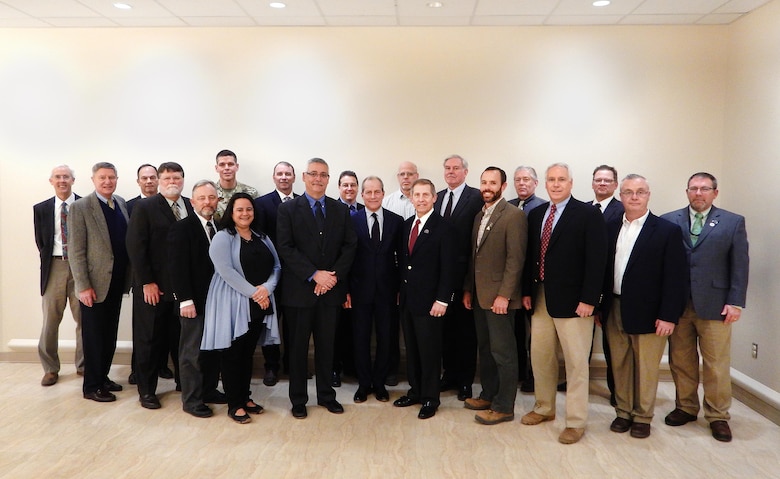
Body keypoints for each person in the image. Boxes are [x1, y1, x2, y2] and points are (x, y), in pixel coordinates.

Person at [520, 163, 607, 445]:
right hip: (541, 297)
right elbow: (530, 257)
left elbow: (597, 261)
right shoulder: (536, 215)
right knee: (541, 357)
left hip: (575, 302)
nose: (555, 184)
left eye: (561, 180)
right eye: (551, 180)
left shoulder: (587, 214)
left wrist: (589, 300)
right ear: (545, 183)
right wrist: (526, 292)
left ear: (571, 182)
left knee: (575, 363)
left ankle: (576, 421)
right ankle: (544, 408)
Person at [661, 172, 749, 443]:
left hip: (716, 305)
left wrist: (735, 302)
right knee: (681, 361)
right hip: (679, 305)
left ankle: (718, 415)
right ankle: (686, 407)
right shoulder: (668, 221)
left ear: (715, 192)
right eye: (693, 189)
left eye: (704, 189)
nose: (698, 193)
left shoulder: (732, 222)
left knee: (716, 364)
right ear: (686, 192)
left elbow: (740, 264)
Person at [602, 174, 687, 439]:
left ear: (648, 195)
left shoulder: (666, 230)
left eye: (640, 192)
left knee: (647, 367)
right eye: (628, 192)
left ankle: (642, 416)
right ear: (621, 196)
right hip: (615, 307)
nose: (634, 197)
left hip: (651, 313)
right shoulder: (610, 226)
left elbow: (676, 278)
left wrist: (668, 316)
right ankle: (623, 412)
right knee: (620, 363)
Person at [276, 158, 357, 419]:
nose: (318, 179)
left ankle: (326, 396)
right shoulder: (288, 210)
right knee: (297, 350)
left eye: (323, 175)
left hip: (330, 292)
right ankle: (298, 399)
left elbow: (349, 246)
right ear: (304, 176)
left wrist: (332, 277)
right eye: (313, 174)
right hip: (299, 293)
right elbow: (285, 248)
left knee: (327, 348)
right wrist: (314, 275)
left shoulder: (340, 210)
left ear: (328, 179)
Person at [201, 193, 280, 424]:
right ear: (231, 213)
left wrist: (266, 288)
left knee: (247, 354)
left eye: (249, 209)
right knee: (233, 354)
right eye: (240, 210)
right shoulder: (223, 237)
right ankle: (234, 404)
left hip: (259, 302)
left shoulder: (261, 236)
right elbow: (226, 272)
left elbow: (276, 266)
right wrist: (255, 293)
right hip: (232, 303)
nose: (245, 214)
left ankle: (245, 397)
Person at [463, 167, 527, 425]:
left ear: (503, 187)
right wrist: (469, 288)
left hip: (500, 299)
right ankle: (489, 394)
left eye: (493, 183)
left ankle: (504, 406)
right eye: (483, 182)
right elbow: (475, 257)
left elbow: (516, 260)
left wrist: (505, 295)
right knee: (487, 349)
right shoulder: (480, 215)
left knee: (504, 353)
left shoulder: (514, 216)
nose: (487, 187)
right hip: (480, 295)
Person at [126, 162, 192, 409]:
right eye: (167, 178)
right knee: (150, 340)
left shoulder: (189, 204)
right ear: (159, 181)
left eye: (177, 177)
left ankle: (183, 382)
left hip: (182, 289)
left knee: (180, 338)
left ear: (183, 179)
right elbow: (135, 246)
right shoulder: (145, 207)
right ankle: (147, 390)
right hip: (154, 287)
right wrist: (147, 282)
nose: (172, 181)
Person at [394, 179, 456, 420]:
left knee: (429, 351)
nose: (420, 199)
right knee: (412, 349)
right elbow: (404, 264)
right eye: (416, 195)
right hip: (409, 300)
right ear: (411, 198)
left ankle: (430, 397)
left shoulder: (444, 228)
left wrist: (443, 300)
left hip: (432, 302)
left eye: (425, 195)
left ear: (434, 198)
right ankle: (415, 391)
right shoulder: (407, 224)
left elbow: (449, 268)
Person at [68, 162, 131, 402]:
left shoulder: (121, 204)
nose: (108, 182)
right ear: (93, 180)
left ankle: (103, 377)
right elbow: (76, 250)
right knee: (94, 337)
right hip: (92, 285)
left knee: (108, 334)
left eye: (112, 178)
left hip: (115, 281)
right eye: (103, 178)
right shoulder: (80, 207)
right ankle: (92, 386)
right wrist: (82, 286)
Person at [167, 180, 225, 418]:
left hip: (217, 302)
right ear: (192, 202)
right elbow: (176, 267)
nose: (207, 203)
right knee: (192, 352)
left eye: (211, 198)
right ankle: (191, 400)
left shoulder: (221, 228)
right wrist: (185, 300)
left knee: (212, 351)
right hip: (193, 303)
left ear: (218, 201)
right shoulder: (182, 228)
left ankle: (209, 390)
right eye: (202, 198)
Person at [344, 176, 403, 403]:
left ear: (382, 193)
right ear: (362, 195)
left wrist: (400, 288)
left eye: (376, 192)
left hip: (388, 292)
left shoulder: (396, 221)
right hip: (359, 292)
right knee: (360, 338)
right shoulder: (351, 220)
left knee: (386, 338)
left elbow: (402, 257)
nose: (372, 196)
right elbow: (346, 259)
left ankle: (379, 383)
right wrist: (346, 290)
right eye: (367, 192)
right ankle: (363, 384)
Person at [434, 154, 484, 402]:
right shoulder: (438, 197)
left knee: (465, 332)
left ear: (466, 171)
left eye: (456, 168)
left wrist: (469, 284)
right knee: (444, 330)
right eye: (447, 168)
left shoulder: (476, 198)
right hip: (440, 276)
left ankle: (465, 382)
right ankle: (449, 375)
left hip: (465, 276)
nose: (451, 172)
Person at [33, 165, 84, 386]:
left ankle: (84, 366)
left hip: (80, 268)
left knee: (84, 319)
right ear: (51, 181)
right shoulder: (41, 208)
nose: (62, 180)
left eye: (66, 177)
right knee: (50, 321)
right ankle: (50, 368)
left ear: (73, 180)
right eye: (58, 177)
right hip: (54, 266)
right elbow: (41, 241)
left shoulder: (85, 205)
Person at [253, 161, 298, 386]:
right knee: (270, 322)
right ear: (274, 178)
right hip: (270, 275)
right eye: (279, 174)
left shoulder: (303, 203)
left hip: (297, 276)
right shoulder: (261, 204)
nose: (283, 177)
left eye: (287, 174)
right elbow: (258, 239)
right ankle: (271, 367)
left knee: (294, 323)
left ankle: (293, 364)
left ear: (294, 177)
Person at [126, 164, 171, 384]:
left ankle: (162, 366)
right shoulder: (135, 207)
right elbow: (135, 246)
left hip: (171, 282)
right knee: (146, 333)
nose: (150, 181)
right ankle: (142, 378)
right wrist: (146, 281)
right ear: (138, 181)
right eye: (145, 178)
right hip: (147, 279)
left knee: (166, 330)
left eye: (153, 177)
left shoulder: (180, 206)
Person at [379, 161, 418, 387]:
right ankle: (391, 369)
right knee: (391, 326)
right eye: (402, 174)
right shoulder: (388, 202)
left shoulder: (425, 200)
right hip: (392, 274)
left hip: (417, 274)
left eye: (410, 174)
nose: (406, 178)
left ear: (416, 176)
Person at [507, 165, 545, 393]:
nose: (522, 183)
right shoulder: (508, 206)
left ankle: (534, 374)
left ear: (535, 183)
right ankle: (518, 371)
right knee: (514, 330)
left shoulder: (542, 207)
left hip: (531, 279)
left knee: (535, 332)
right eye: (518, 179)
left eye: (526, 179)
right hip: (511, 280)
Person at [589, 164, 624, 404]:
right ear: (592, 183)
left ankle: (617, 390)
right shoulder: (586, 209)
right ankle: (575, 379)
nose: (602, 184)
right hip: (588, 285)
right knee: (582, 340)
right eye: (598, 180)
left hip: (610, 285)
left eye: (607, 180)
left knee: (612, 344)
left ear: (615, 185)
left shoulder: (622, 210)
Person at [332, 170, 364, 387]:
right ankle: (334, 368)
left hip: (360, 279)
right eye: (345, 185)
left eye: (353, 185)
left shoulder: (364, 211)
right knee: (335, 329)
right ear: (339, 187)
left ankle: (353, 367)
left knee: (356, 328)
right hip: (337, 279)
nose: (349, 189)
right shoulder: (330, 210)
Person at [213, 149, 259, 221]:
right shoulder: (211, 194)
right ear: (216, 168)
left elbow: (256, 218)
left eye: (230, 164)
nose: (227, 168)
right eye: (222, 165)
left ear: (237, 166)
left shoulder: (251, 193)